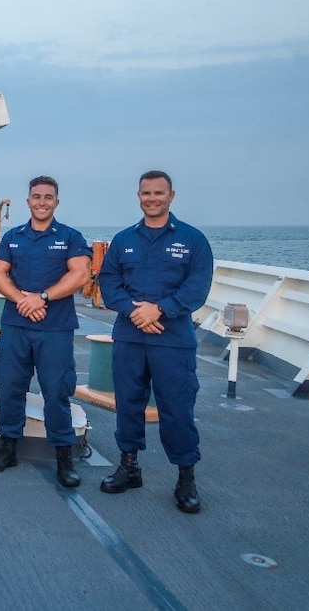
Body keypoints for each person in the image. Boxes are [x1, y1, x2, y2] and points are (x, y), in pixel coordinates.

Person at [97, 170, 213, 513]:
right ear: (139, 196)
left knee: (176, 408)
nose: (152, 198)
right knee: (128, 402)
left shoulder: (193, 240)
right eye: (146, 193)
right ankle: (129, 466)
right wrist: (135, 313)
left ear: (171, 196)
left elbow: (197, 286)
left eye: (158, 193)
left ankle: (186, 476)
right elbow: (109, 281)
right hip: (130, 336)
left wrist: (160, 310)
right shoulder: (123, 240)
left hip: (172, 339)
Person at [0, 176, 91, 486]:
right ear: (28, 201)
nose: (42, 201)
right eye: (36, 197)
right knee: (11, 387)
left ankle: (63, 458)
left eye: (48, 197)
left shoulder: (70, 237)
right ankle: (7, 448)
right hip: (17, 325)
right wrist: (22, 300)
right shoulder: (14, 237)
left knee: (56, 391)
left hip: (55, 327)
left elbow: (80, 273)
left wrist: (41, 297)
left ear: (57, 202)